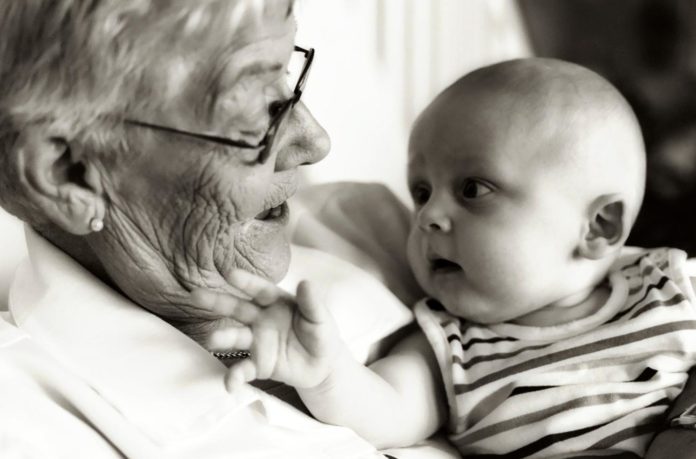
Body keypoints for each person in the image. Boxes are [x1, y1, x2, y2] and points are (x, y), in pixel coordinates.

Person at [0, 1, 444, 458]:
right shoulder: (27, 425)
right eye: (258, 111)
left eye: (288, 80)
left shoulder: (389, 234)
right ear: (70, 175)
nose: (316, 142)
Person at [196, 58, 696, 457]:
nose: (428, 216)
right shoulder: (449, 348)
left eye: (473, 189)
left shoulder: (671, 285)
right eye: (420, 191)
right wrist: (325, 371)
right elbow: (387, 411)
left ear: (597, 228)